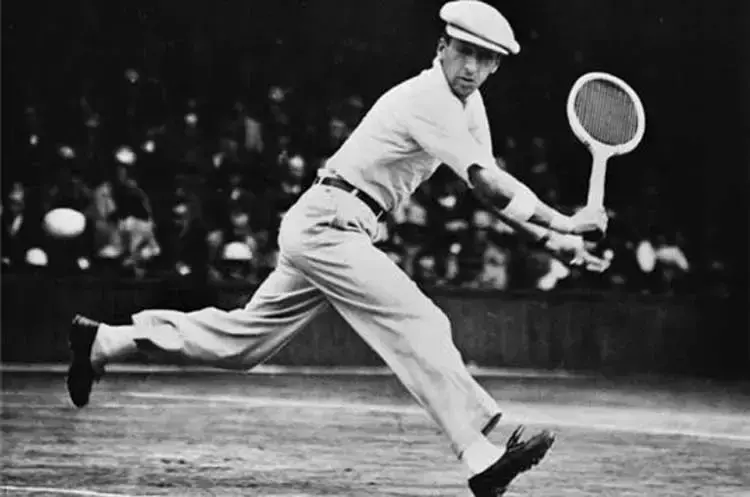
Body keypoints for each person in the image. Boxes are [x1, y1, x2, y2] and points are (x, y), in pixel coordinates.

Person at [66, 1, 609, 495]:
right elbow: (487, 184)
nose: (471, 66)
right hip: (331, 223)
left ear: (495, 67)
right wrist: (565, 220)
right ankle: (477, 453)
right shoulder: (429, 99)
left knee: (243, 345)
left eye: (485, 59)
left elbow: (487, 184)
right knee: (419, 321)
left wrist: (555, 241)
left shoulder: (470, 105)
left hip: (330, 224)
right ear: (441, 46)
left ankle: (106, 341)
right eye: (463, 51)